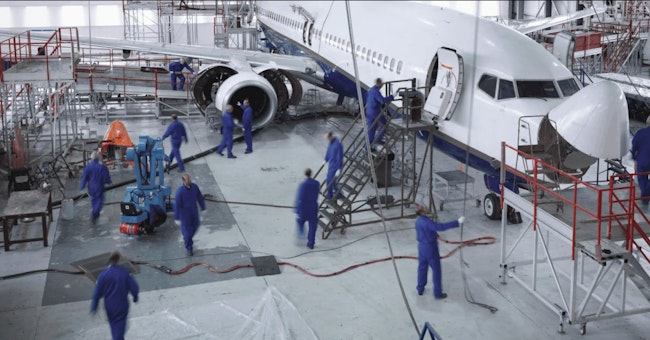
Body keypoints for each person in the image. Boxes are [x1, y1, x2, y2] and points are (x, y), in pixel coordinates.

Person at [414, 204, 464, 299]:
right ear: (423, 211)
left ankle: (420, 289)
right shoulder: (427, 222)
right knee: (436, 270)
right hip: (430, 248)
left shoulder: (418, 221)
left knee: (422, 268)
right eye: (425, 207)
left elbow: (426, 231)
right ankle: (437, 293)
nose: (427, 207)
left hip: (421, 247)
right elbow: (440, 227)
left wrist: (435, 235)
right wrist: (457, 222)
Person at [90, 251, 139, 340]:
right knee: (119, 328)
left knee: (114, 326)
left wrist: (94, 307)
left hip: (109, 306)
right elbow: (134, 287)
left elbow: (97, 293)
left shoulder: (103, 275)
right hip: (121, 305)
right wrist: (135, 297)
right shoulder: (124, 273)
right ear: (118, 260)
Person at [174, 173, 206, 256]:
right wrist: (177, 218)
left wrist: (203, 207)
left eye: (189, 178)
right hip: (185, 215)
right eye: (187, 179)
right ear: (183, 181)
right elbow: (177, 204)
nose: (189, 180)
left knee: (196, 226)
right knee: (187, 233)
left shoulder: (194, 187)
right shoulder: (180, 192)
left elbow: (199, 197)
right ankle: (189, 248)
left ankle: (187, 238)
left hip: (194, 212)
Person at [80, 151, 112, 223]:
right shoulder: (102, 167)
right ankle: (94, 215)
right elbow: (106, 176)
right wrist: (109, 181)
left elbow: (84, 177)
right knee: (100, 201)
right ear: (98, 158)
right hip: (99, 187)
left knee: (94, 201)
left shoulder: (88, 167)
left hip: (91, 187)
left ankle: (95, 214)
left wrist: (82, 186)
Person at [295, 168, 320, 249]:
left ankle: (302, 235)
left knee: (300, 221)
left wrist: (297, 209)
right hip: (313, 207)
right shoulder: (317, 183)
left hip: (304, 208)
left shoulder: (303, 185)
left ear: (305, 174)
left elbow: (300, 197)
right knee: (313, 226)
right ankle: (311, 243)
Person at [365, 78, 394, 146]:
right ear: (379, 84)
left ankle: (368, 147)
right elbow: (382, 100)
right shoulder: (376, 92)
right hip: (375, 112)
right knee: (384, 124)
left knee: (371, 129)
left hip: (369, 110)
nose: (382, 85)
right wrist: (391, 97)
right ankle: (377, 139)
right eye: (381, 84)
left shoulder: (371, 89)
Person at [632, 115, 650, 206]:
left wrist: (635, 160)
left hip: (642, 161)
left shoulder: (640, 133)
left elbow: (634, 148)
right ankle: (646, 195)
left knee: (642, 180)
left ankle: (645, 198)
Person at [324, 132, 343, 200]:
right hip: (331, 165)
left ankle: (330, 196)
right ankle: (339, 193)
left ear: (331, 136)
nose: (328, 140)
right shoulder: (331, 142)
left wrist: (339, 168)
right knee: (333, 182)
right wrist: (326, 159)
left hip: (335, 166)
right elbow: (328, 151)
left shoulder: (338, 145)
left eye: (328, 138)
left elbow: (339, 157)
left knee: (329, 181)